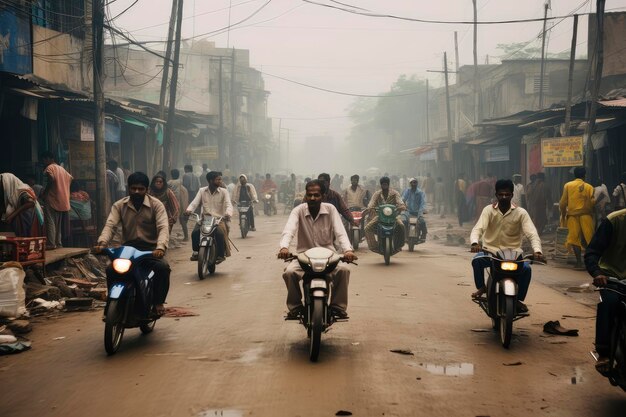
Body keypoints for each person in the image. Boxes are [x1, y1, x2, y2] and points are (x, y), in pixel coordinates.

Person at [277, 179, 357, 319]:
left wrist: (347, 250)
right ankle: (295, 307)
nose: (313, 198)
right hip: (303, 256)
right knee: (289, 273)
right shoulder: (298, 210)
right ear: (306, 196)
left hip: (329, 256)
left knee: (344, 270)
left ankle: (338, 307)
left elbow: (340, 232)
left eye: (316, 195)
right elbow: (289, 230)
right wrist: (284, 247)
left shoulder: (331, 210)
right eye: (310, 195)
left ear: (323, 196)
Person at [95, 172, 171, 316]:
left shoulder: (156, 205)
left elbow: (163, 227)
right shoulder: (119, 205)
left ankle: (158, 302)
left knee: (163, 268)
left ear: (147, 189)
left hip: (150, 249)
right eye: (133, 188)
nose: (137, 191)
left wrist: (160, 247)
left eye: (140, 189)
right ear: (128, 188)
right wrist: (102, 243)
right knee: (111, 270)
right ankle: (112, 301)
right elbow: (110, 225)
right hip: (128, 249)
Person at [469, 179, 544, 312]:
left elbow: (532, 233)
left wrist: (537, 251)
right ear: (496, 194)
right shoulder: (488, 210)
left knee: (526, 269)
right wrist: (475, 242)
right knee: (476, 261)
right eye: (501, 194)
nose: (504, 197)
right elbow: (478, 229)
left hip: (513, 253)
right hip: (491, 252)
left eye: (507, 195)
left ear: (512, 194)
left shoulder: (521, 213)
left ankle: (518, 299)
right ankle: (482, 287)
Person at [584, 207, 626, 373]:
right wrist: (597, 272)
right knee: (608, 303)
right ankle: (603, 353)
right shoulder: (614, 220)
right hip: (612, 278)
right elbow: (592, 252)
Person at [186, 171, 232, 263]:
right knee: (195, 232)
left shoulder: (224, 192)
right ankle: (196, 251)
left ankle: (220, 255)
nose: (220, 181)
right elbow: (194, 203)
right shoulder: (202, 191)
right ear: (211, 181)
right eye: (218, 179)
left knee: (220, 234)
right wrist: (189, 210)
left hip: (218, 220)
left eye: (220, 179)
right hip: (205, 219)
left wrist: (228, 213)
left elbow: (228, 205)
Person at [559, 167, 595, 269]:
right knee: (589, 239)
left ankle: (579, 262)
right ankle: (590, 263)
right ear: (584, 175)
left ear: (574, 175)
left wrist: (563, 213)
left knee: (574, 239)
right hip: (586, 215)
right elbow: (593, 202)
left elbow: (563, 202)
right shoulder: (589, 187)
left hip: (572, 216)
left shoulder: (568, 185)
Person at [40, 151, 73, 249]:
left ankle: (51, 243)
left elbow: (51, 178)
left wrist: (45, 192)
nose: (43, 162)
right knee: (58, 223)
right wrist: (64, 189)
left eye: (44, 160)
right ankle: (58, 243)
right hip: (62, 199)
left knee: (50, 221)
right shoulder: (61, 169)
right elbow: (70, 178)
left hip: (52, 198)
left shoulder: (49, 167)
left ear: (49, 159)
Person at [364, 176, 406, 252]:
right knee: (367, 228)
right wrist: (370, 207)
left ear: (388, 184)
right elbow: (371, 203)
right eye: (383, 184)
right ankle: (374, 246)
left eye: (386, 184)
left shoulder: (394, 193)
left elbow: (400, 201)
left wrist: (401, 206)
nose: (385, 186)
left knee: (402, 226)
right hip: (379, 216)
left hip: (393, 216)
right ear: (381, 185)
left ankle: (399, 245)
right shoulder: (377, 194)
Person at [0, 173, 44, 237]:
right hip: (24, 222)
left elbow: (31, 203)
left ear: (7, 183)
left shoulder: (21, 190)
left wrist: (12, 216)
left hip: (30, 221)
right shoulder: (12, 193)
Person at [401, 178, 427, 242]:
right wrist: (402, 205)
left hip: (418, 212)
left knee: (422, 222)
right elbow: (403, 199)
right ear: (410, 184)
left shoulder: (420, 192)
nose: (413, 184)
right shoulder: (407, 191)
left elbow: (423, 202)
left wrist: (422, 210)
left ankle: (423, 235)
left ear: (417, 183)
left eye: (415, 182)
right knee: (403, 222)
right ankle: (404, 236)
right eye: (412, 183)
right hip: (408, 211)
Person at [168, 169, 189, 241]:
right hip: (181, 204)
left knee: (170, 220)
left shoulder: (169, 183)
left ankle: (168, 236)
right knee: (182, 221)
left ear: (171, 175)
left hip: (172, 204)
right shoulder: (181, 183)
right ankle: (186, 237)